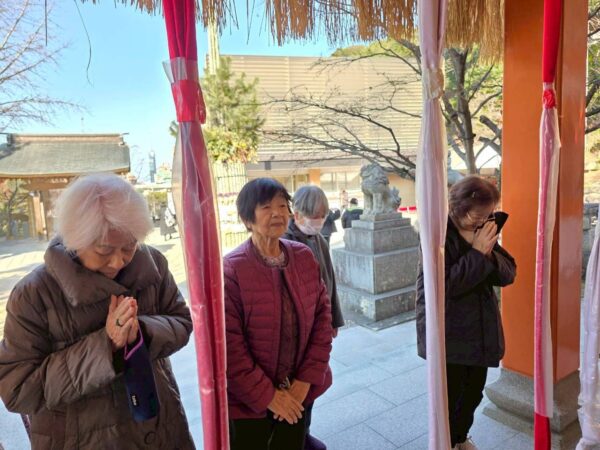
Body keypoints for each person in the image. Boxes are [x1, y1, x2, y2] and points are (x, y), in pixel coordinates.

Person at [0, 173, 195, 449]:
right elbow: (17, 389)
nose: (118, 261)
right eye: (104, 251)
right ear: (75, 240)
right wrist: (107, 345)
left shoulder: (152, 264)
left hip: (161, 427)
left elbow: (182, 321)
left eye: (129, 246)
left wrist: (142, 330)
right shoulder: (33, 294)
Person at [224, 178, 333, 450]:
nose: (277, 213)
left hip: (299, 390)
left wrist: (305, 380)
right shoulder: (232, 270)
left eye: (283, 205)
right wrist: (270, 396)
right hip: (250, 402)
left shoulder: (303, 256)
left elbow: (322, 319)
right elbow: (230, 347)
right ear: (247, 219)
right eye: (266, 207)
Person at [415, 175, 516, 450]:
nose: (483, 220)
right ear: (458, 208)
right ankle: (448, 441)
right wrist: (477, 253)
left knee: (474, 393)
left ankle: (460, 437)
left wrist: (487, 252)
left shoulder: (482, 230)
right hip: (449, 333)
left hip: (480, 331)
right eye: (477, 215)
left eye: (488, 214)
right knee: (451, 398)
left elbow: (509, 274)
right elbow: (443, 286)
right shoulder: (437, 236)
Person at [283, 185, 344, 450]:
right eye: (314, 215)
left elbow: (330, 281)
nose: (318, 221)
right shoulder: (284, 242)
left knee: (313, 382)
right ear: (297, 214)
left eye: (322, 215)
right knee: (299, 386)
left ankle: (305, 432)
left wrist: (334, 320)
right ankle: (298, 435)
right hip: (298, 330)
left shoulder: (319, 239)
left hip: (319, 326)